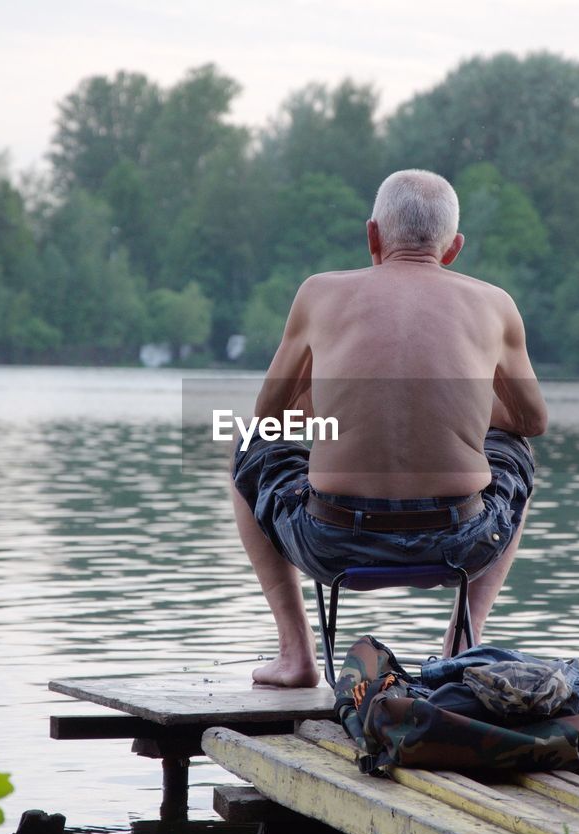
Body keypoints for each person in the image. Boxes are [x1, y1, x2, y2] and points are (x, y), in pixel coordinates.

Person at [231, 169, 547, 687]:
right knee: (514, 452)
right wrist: (460, 411)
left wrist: (335, 408)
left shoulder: (318, 293)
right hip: (461, 541)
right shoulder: (495, 304)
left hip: (330, 542)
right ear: (454, 249)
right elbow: (533, 422)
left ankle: (295, 656)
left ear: (372, 235)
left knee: (247, 441)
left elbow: (269, 414)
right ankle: (461, 647)